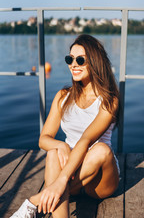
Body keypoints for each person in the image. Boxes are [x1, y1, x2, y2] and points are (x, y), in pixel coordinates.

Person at [10, 34, 120, 218]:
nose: (73, 64)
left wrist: (61, 180)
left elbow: (86, 140)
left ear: (95, 61)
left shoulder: (109, 101)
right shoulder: (63, 96)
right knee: (53, 152)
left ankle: (34, 202)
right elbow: (43, 139)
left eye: (80, 59)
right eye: (70, 59)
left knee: (101, 149)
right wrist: (60, 145)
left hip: (100, 180)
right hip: (72, 172)